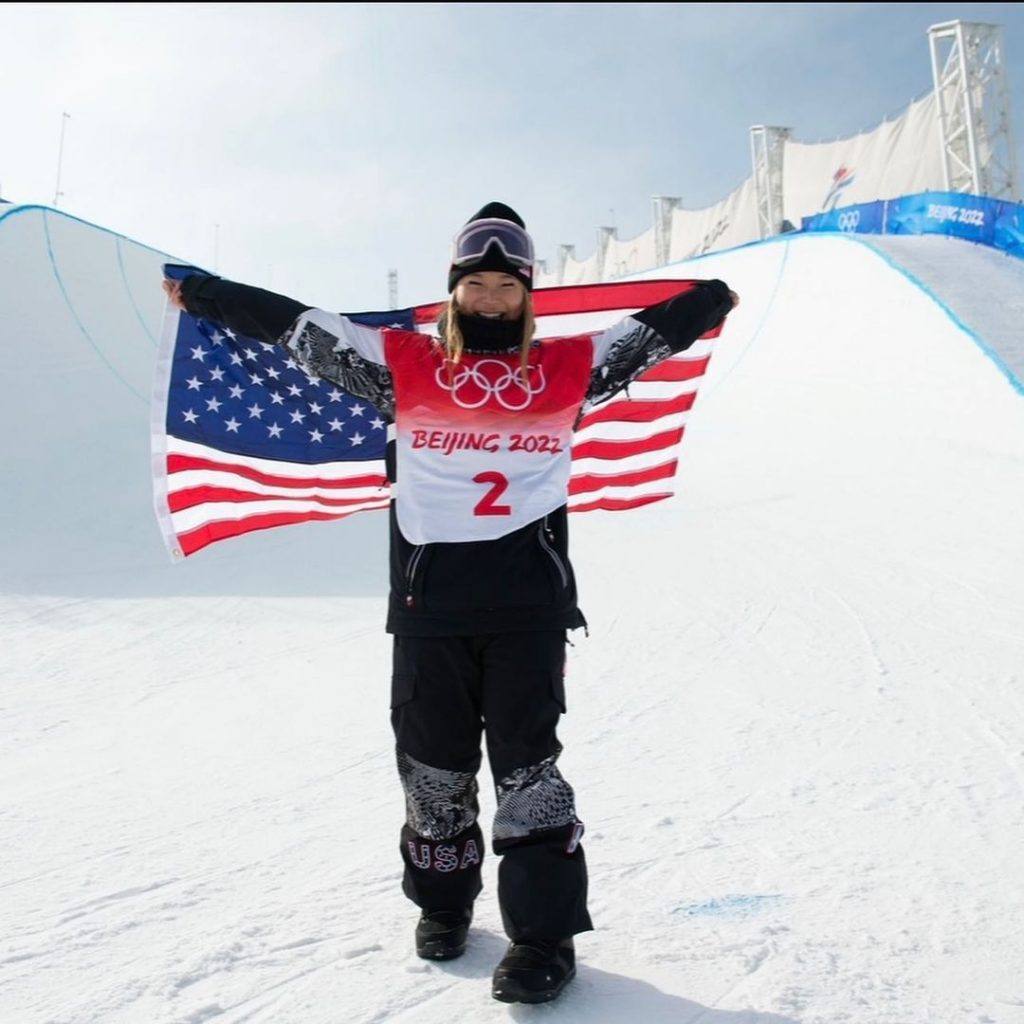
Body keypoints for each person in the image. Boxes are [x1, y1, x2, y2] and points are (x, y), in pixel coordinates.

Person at [162, 201, 738, 1004]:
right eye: (479, 285)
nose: (493, 299)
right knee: (433, 772)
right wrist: (208, 294)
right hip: (430, 609)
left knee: (530, 774)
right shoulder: (401, 364)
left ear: (527, 293)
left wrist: (711, 297)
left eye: (508, 285)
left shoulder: (568, 367)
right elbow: (299, 326)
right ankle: (444, 906)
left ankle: (544, 940)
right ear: (455, 291)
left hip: (528, 610)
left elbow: (645, 338)